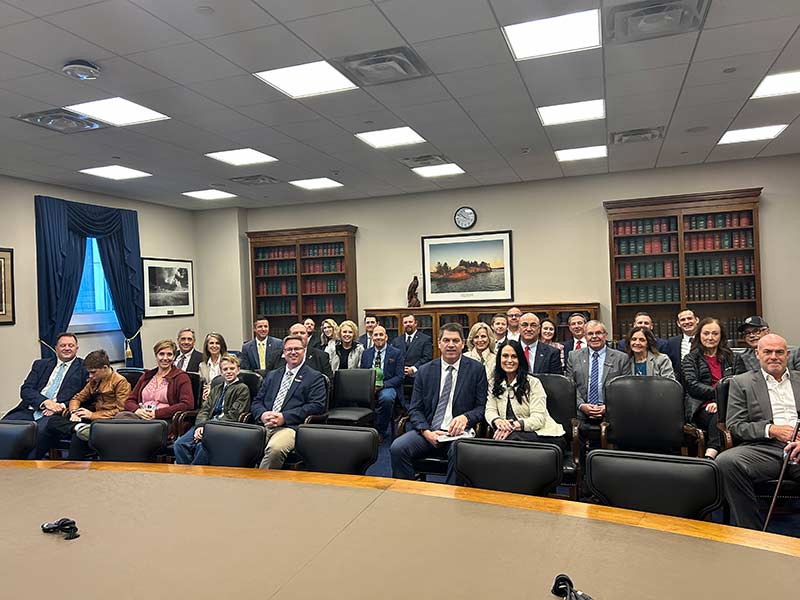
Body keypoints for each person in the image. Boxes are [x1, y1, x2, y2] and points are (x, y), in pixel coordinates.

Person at [716, 334, 800, 530]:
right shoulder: (741, 382)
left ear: (787, 355)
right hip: (764, 449)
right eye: (767, 352)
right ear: (757, 354)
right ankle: (752, 534)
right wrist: (771, 430)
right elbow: (736, 425)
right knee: (726, 462)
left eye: (779, 352)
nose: (774, 356)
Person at [390, 323, 488, 484]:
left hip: (458, 434)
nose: (451, 345)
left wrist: (466, 418)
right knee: (398, 448)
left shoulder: (476, 370)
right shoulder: (425, 370)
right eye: (446, 340)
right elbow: (415, 408)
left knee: (458, 452)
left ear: (462, 344)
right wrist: (426, 432)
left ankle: (450, 500)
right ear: (439, 343)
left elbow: (481, 407)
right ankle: (407, 494)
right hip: (429, 431)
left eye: (455, 341)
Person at [37, 349, 129, 460]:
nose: (90, 375)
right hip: (90, 419)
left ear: (105, 368)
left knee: (78, 437)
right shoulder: (94, 381)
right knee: (52, 421)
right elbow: (77, 398)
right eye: (89, 372)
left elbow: (122, 410)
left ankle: (73, 463)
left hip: (108, 420)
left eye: (93, 372)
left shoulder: (120, 382)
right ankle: (79, 427)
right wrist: (74, 412)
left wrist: (92, 415)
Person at [251, 335, 326, 469]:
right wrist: (262, 415)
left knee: (275, 448)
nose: (293, 352)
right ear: (283, 353)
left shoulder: (314, 377)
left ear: (304, 351)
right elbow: (257, 401)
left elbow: (316, 406)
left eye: (297, 349)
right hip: (264, 424)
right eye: (289, 349)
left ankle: (261, 485)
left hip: (291, 427)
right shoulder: (272, 375)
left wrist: (284, 417)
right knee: (241, 444)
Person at [682, 317, 746, 459]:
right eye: (706, 333)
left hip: (731, 405)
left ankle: (710, 456)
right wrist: (718, 397)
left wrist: (720, 402)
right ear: (699, 335)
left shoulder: (734, 358)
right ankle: (711, 453)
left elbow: (742, 384)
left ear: (721, 336)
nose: (710, 337)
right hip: (701, 407)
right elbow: (693, 386)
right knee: (719, 415)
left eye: (715, 333)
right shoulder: (690, 359)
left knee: (722, 413)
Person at [485, 340, 565, 449]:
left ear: (520, 360)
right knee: (503, 441)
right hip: (509, 434)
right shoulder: (494, 383)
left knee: (509, 440)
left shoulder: (533, 383)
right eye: (505, 356)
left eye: (514, 356)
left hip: (544, 435)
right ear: (499, 359)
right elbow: (490, 410)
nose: (509, 360)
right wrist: (498, 421)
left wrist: (512, 426)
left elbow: (538, 419)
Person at [174, 354, 251, 465]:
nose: (229, 372)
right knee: (180, 444)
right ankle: (187, 475)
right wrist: (200, 426)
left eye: (232, 368)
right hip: (207, 425)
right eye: (225, 369)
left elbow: (233, 415)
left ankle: (197, 477)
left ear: (238, 370)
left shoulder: (242, 389)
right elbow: (205, 410)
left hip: (224, 427)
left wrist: (207, 427)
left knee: (202, 446)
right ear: (221, 372)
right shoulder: (216, 388)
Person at [5, 332, 87, 425]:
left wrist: (59, 407)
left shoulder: (84, 368)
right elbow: (26, 390)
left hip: (57, 415)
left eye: (71, 345)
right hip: (31, 409)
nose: (67, 348)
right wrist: (45, 402)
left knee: (40, 432)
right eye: (63, 345)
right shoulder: (40, 364)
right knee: (4, 427)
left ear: (76, 349)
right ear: (56, 348)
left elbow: (85, 397)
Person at [565, 320, 631, 427]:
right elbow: (570, 385)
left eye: (598, 333)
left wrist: (608, 407)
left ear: (605, 335)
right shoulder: (574, 356)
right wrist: (581, 405)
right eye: (590, 334)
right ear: (585, 336)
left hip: (610, 411)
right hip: (580, 411)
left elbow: (624, 389)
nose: (594, 337)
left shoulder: (621, 358)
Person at [116, 339, 194, 420]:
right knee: (120, 417)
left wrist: (157, 414)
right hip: (142, 416)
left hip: (164, 419)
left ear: (174, 357)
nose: (165, 358)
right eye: (161, 354)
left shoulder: (181, 377)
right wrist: (137, 410)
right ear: (156, 355)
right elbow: (130, 400)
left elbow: (187, 404)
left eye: (169, 354)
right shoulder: (147, 376)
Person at [360, 325, 404, 438]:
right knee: (357, 398)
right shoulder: (366, 353)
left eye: (381, 334)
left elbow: (400, 376)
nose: (378, 337)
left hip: (388, 385)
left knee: (386, 398)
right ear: (372, 337)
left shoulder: (396, 353)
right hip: (369, 386)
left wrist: (383, 385)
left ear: (386, 337)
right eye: (375, 335)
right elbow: (363, 372)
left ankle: (380, 432)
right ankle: (364, 430)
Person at [266, 323, 334, 383]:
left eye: (302, 333)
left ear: (307, 336)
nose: (299, 336)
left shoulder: (321, 356)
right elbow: (267, 380)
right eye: (295, 333)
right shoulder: (276, 355)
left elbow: (328, 383)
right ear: (289, 337)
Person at [391, 314, 433, 386]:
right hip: (400, 377)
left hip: (418, 376)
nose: (408, 324)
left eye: (410, 322)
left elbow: (427, 357)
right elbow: (393, 358)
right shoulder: (396, 341)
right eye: (405, 322)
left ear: (415, 323)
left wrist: (413, 369)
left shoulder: (425, 339)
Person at [665, 309, 700, 381]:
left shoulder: (705, 340)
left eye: (689, 318)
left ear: (697, 320)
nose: (687, 322)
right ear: (678, 323)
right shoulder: (672, 342)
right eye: (683, 320)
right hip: (681, 385)